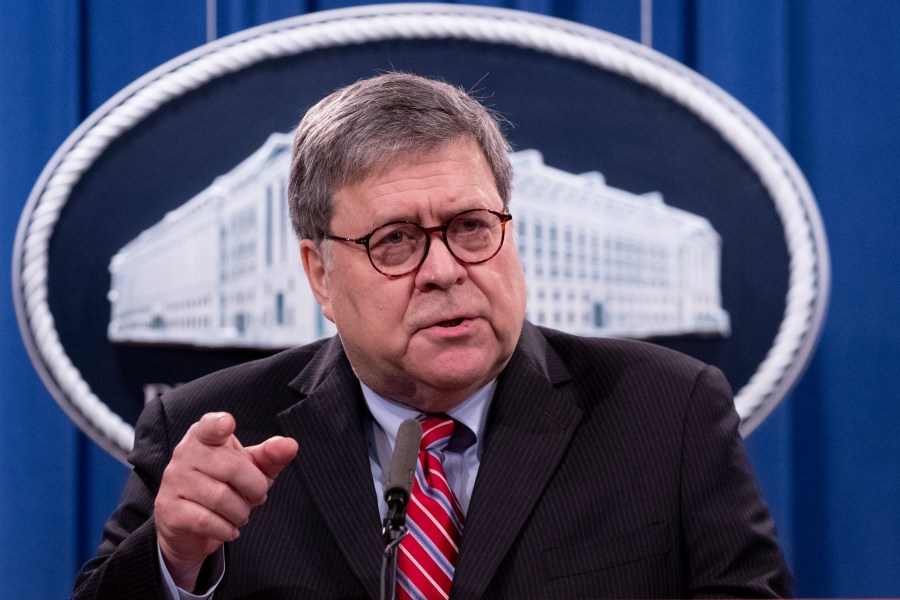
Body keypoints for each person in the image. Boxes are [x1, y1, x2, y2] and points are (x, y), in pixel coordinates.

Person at [73, 72, 791, 599]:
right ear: (320, 274)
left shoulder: (667, 412)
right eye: (395, 242)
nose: (446, 271)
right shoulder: (213, 431)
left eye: (471, 227)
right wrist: (173, 559)